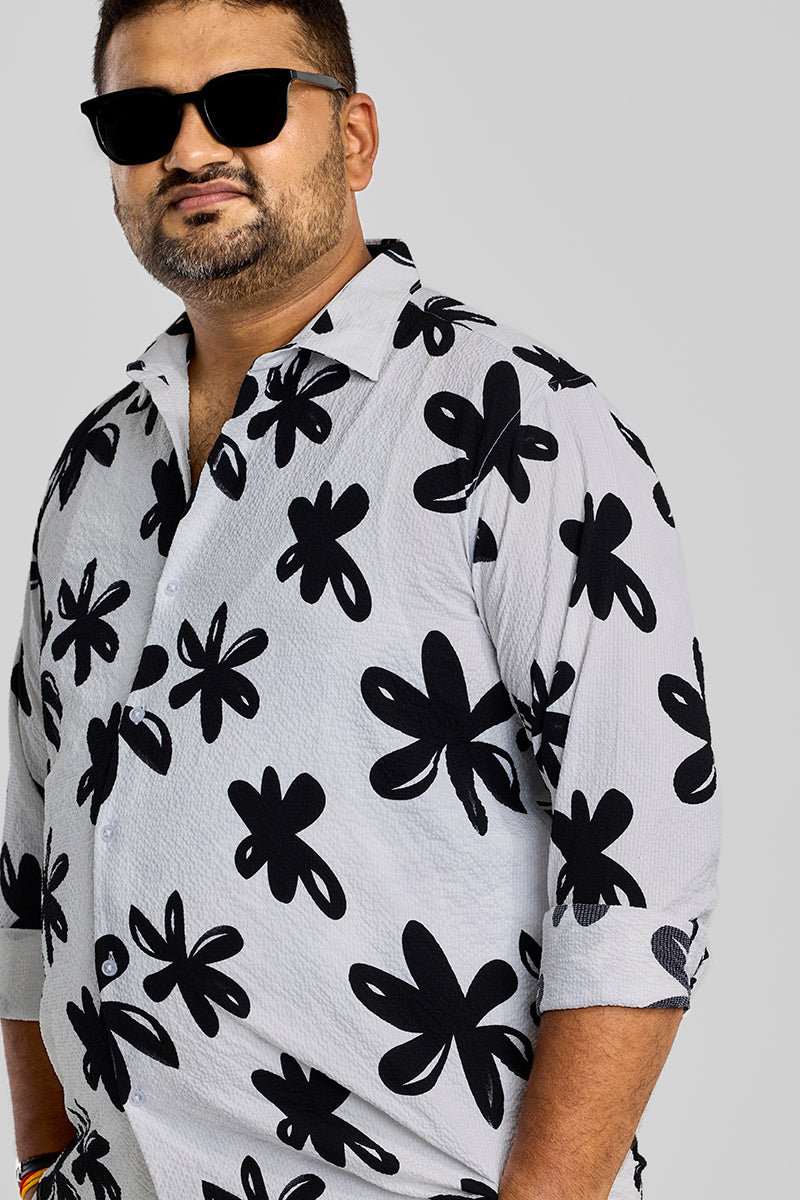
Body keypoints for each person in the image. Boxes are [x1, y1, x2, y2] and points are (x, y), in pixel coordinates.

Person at [0, 2, 723, 1198]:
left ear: (354, 138)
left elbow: (638, 869)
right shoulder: (95, 468)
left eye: (243, 103)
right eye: (139, 120)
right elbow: (29, 860)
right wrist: (39, 1163)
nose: (189, 149)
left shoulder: (514, 426)